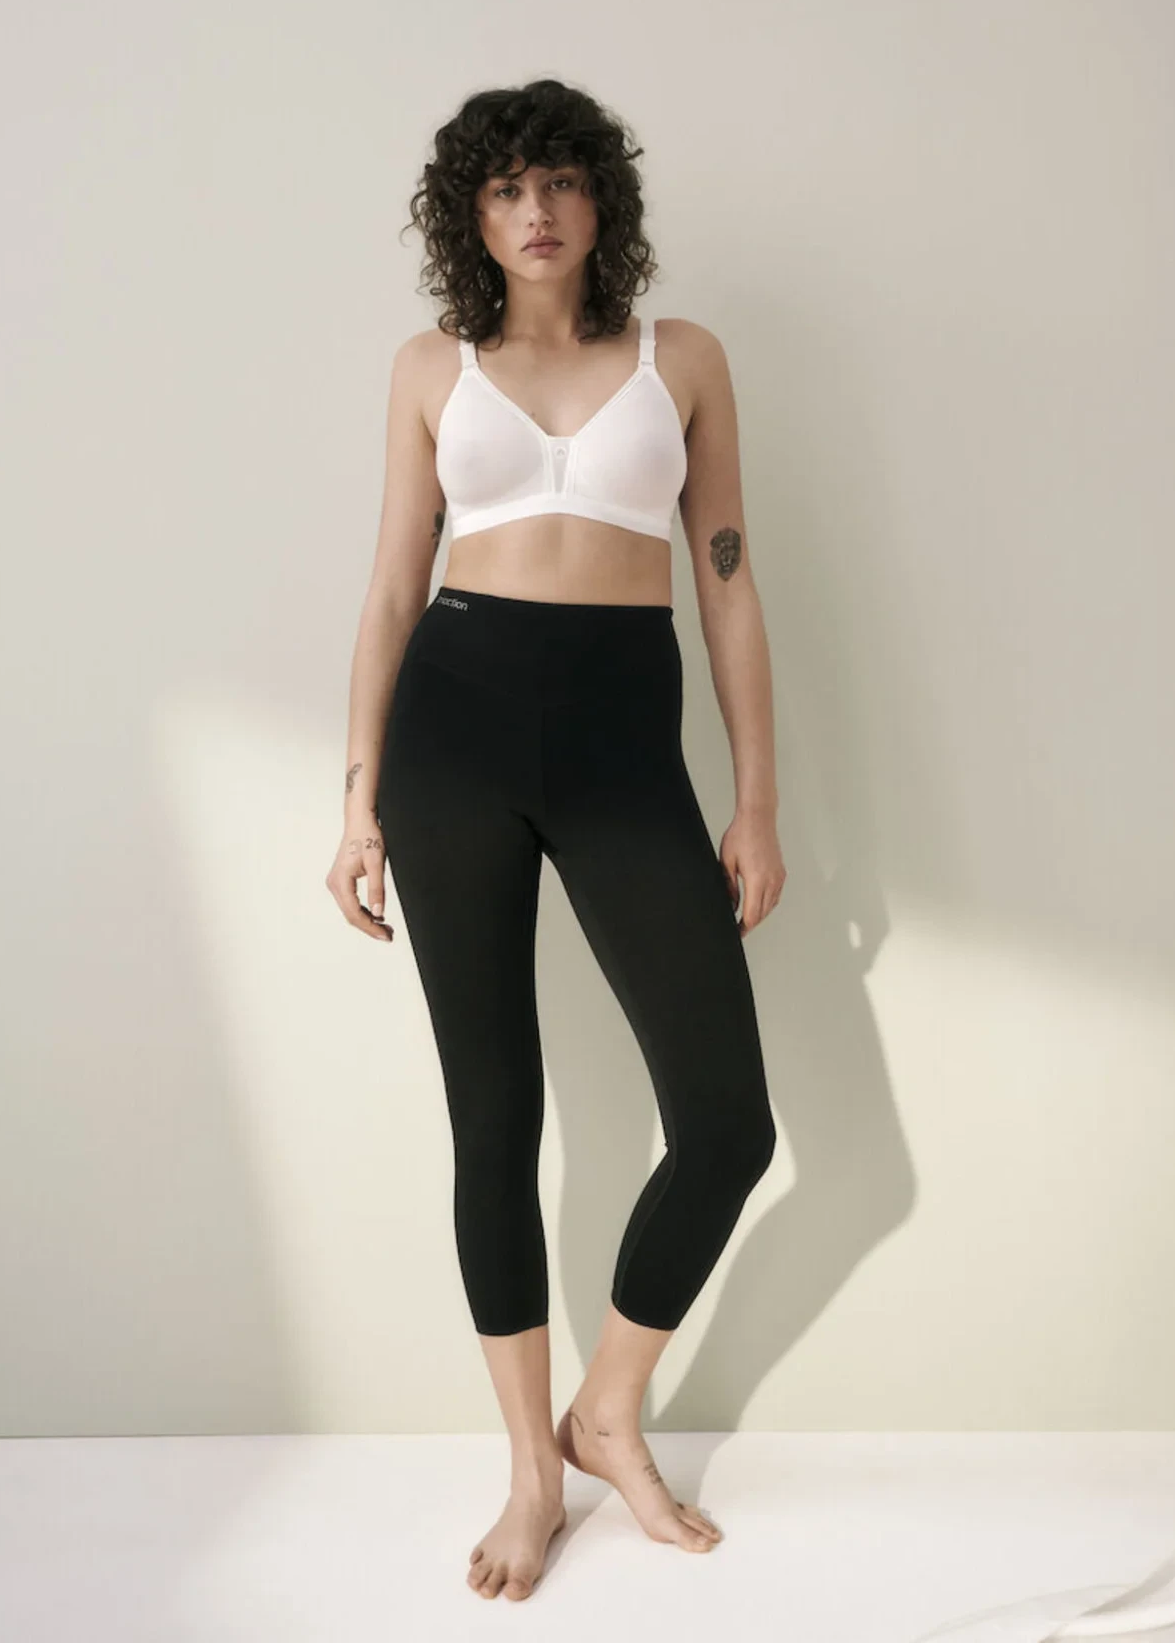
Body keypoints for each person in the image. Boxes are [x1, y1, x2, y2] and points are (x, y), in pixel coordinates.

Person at [326, 78, 785, 1603]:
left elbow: (728, 581)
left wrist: (757, 799)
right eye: (507, 188)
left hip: (619, 744)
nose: (537, 211)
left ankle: (608, 1409)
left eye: (562, 183)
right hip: (451, 738)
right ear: (472, 215)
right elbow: (393, 589)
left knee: (725, 1122)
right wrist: (357, 798)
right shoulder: (430, 369)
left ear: (603, 203)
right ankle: (534, 1469)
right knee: (494, 1116)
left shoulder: (681, 360)